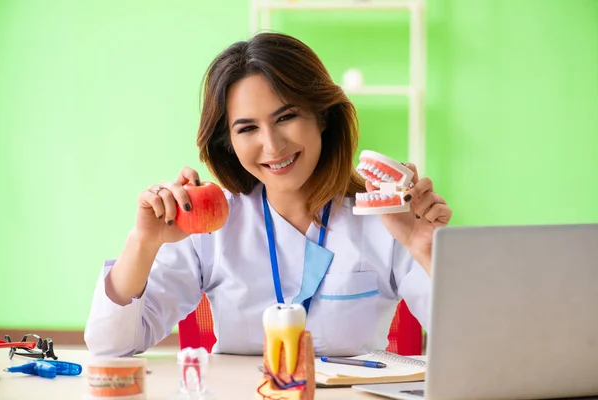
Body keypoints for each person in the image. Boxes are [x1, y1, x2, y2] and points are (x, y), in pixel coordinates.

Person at [84, 32, 452, 357]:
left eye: (286, 117)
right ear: (228, 143)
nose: (272, 145)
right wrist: (144, 243)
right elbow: (110, 344)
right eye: (247, 128)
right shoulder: (209, 225)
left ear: (322, 117)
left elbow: (472, 345)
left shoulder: (386, 223)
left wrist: (425, 250)